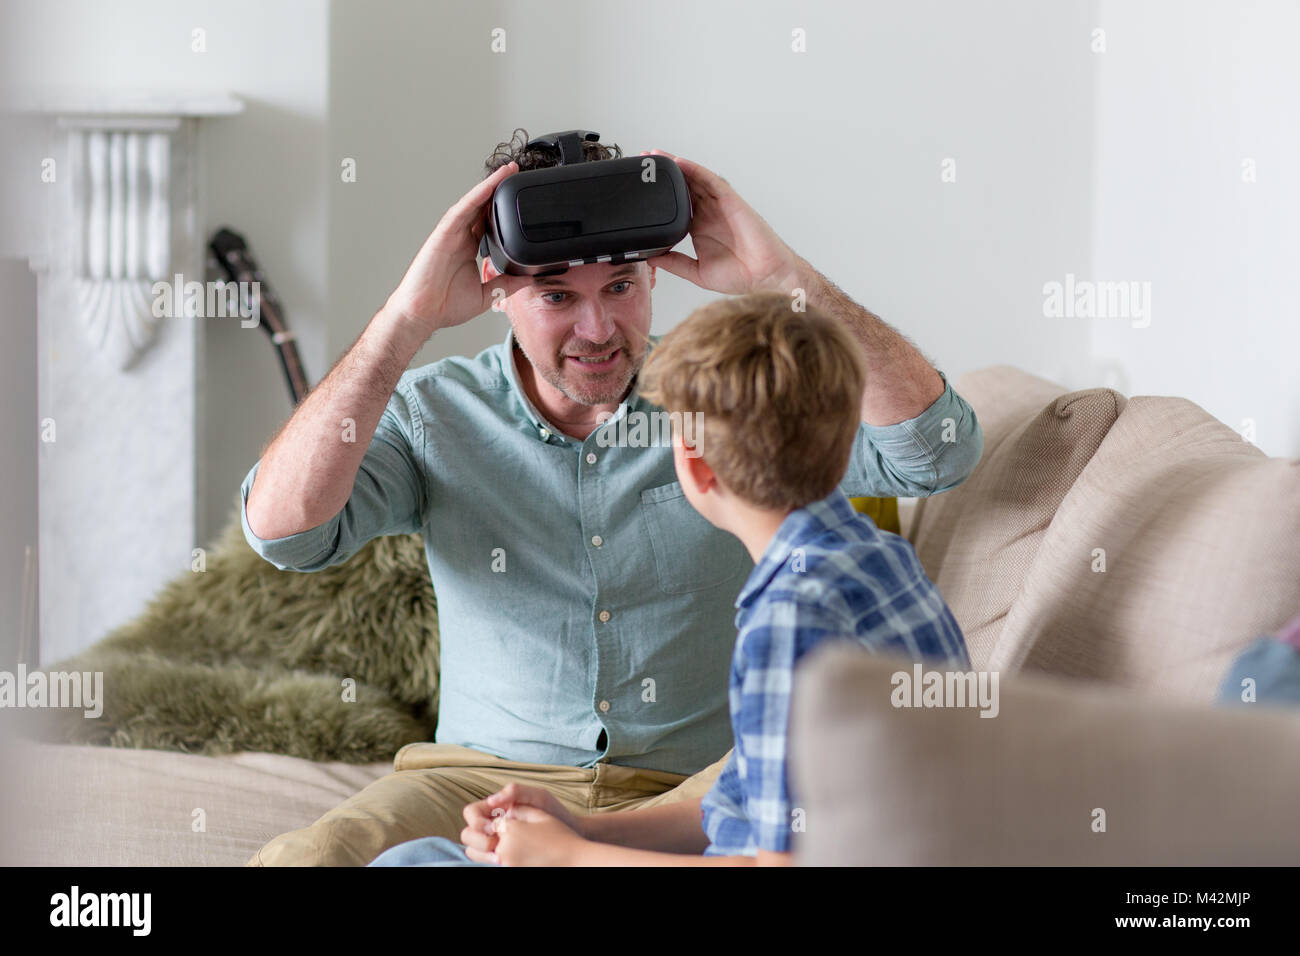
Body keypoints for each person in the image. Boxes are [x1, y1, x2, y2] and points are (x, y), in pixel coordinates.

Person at [241, 129, 983, 865]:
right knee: (310, 858)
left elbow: (937, 456)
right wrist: (405, 321)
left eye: (621, 288)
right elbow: (284, 533)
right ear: (496, 290)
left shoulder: (721, 401)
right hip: (479, 779)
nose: (598, 331)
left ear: (654, 277)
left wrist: (781, 277)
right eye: (557, 295)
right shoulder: (434, 411)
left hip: (690, 786)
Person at [370, 293, 971, 866]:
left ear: (696, 463)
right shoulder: (880, 560)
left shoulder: (787, 622)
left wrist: (569, 858)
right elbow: (734, 813)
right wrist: (578, 828)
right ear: (844, 452)